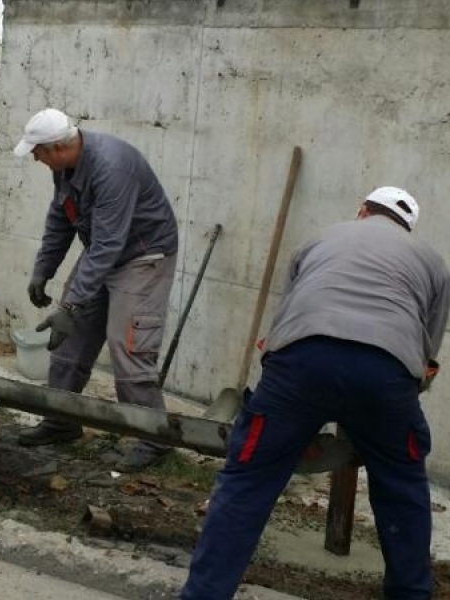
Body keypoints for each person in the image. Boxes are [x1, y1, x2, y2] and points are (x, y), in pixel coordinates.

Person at [179, 187, 450, 600]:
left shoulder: (320, 240)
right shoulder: (431, 262)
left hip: (299, 363)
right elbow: (425, 357)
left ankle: (203, 595)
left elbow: (286, 321)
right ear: (408, 227)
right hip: (386, 372)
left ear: (362, 211)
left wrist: (295, 421)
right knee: (402, 485)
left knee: (247, 481)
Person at [13, 108, 179, 472]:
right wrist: (43, 271)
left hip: (141, 257)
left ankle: (154, 437)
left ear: (57, 147)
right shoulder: (67, 168)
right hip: (106, 252)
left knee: (128, 345)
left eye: (37, 152)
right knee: (68, 340)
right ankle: (60, 420)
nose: (36, 159)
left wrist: (70, 305)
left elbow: (108, 245)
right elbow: (61, 219)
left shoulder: (112, 168)